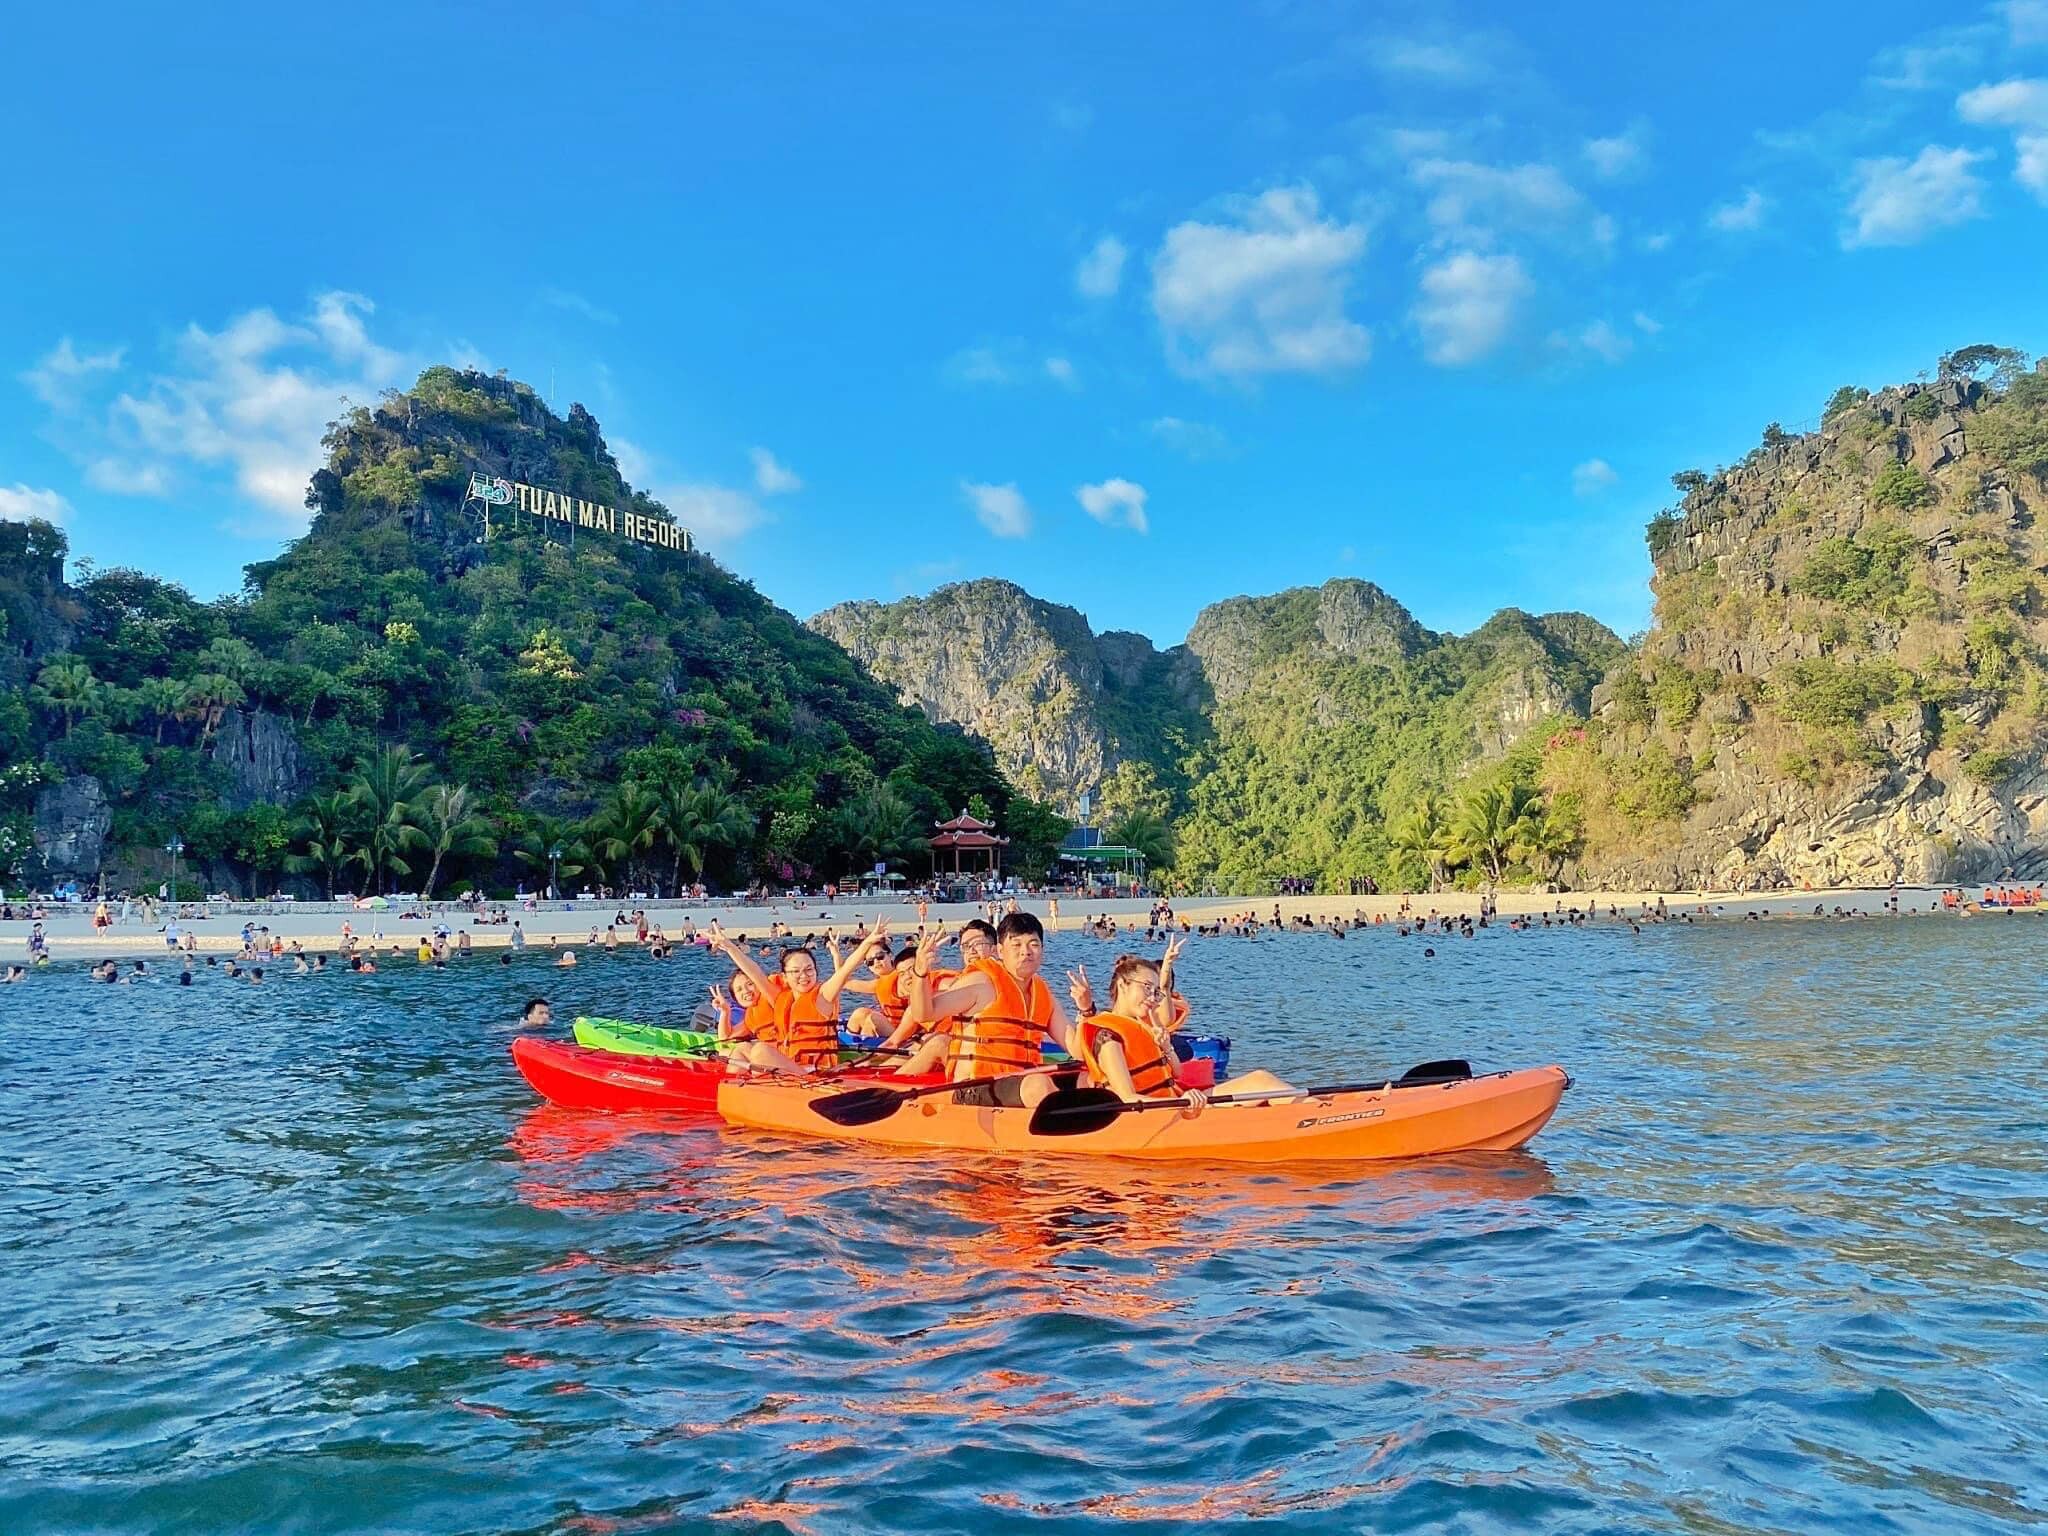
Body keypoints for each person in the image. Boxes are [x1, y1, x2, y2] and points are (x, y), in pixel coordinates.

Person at [902, 912, 1083, 1109]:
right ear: (1000, 950)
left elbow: (1077, 1050)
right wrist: (920, 972)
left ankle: (1095, 1123)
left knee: (1085, 1078)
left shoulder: (1043, 995)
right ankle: (1072, 1126)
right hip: (974, 1087)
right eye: (1016, 945)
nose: (1026, 952)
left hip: (1019, 1083)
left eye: (1034, 944)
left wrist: (1086, 1010)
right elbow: (924, 1013)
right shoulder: (982, 982)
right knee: (1037, 1084)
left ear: (1042, 950)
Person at [1065, 953, 1207, 1115]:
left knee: (1244, 1085)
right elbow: (1128, 1099)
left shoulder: (1144, 1026)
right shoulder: (1107, 1036)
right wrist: (1180, 1104)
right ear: (1123, 985)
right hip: (1155, 1114)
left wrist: (1167, 1047)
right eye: (1147, 988)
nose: (1152, 998)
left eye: (1156, 992)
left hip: (1173, 1101)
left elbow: (1177, 1073)